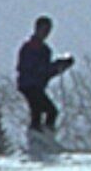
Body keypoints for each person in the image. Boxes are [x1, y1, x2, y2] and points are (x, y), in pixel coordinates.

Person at [15, 16, 76, 154]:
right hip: (29, 84)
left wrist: (59, 67)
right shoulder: (30, 47)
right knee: (47, 110)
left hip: (36, 84)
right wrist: (54, 66)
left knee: (40, 111)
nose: (46, 33)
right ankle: (42, 137)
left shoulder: (45, 49)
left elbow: (46, 72)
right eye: (44, 29)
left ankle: (40, 139)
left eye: (48, 30)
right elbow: (31, 68)